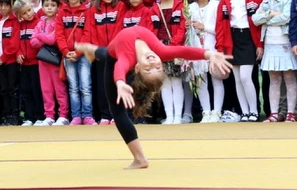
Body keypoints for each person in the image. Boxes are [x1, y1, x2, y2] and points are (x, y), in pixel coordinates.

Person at [75, 26, 232, 169]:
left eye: (148, 69)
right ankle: (93, 51)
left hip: (114, 57)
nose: (152, 63)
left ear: (137, 67)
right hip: (115, 49)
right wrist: (209, 54)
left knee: (116, 109)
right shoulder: (161, 52)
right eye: (157, 67)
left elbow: (120, 66)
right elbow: (183, 51)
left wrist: (120, 82)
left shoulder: (127, 57)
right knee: (103, 51)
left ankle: (140, 159)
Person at [215, 0, 264, 122]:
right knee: (236, 78)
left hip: (249, 38)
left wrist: (260, 44)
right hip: (232, 38)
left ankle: (254, 110)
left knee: (245, 76)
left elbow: (260, 23)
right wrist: (220, 46)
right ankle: (245, 112)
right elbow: (220, 25)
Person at [251, 0, 297, 122]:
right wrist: (269, 15)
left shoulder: (289, 0)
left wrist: (267, 18)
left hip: (285, 44)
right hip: (270, 45)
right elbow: (255, 19)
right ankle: (274, 112)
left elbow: (286, 18)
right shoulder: (265, 3)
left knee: (290, 77)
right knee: (274, 79)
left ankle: (291, 112)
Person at [83, 0, 124, 125]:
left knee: (116, 83)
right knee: (102, 86)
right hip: (100, 54)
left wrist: (113, 48)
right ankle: (105, 115)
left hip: (115, 53)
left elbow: (120, 28)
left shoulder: (120, 7)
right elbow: (90, 30)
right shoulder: (93, 10)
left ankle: (116, 115)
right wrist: (96, 49)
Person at [148, 0, 187, 123]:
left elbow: (182, 27)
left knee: (176, 81)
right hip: (158, 47)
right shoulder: (154, 9)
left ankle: (178, 116)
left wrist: (174, 44)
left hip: (174, 46)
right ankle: (169, 115)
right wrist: (156, 45)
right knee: (164, 82)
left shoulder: (180, 5)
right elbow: (150, 29)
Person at [56, 0, 94, 125]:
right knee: (73, 87)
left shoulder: (87, 11)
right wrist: (66, 52)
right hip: (67, 55)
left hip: (83, 54)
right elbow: (59, 34)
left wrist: (77, 52)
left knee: (85, 86)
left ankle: (88, 115)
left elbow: (88, 34)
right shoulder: (61, 12)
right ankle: (76, 115)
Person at [29, 0, 68, 126]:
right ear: (42, 7)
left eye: (53, 5)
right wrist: (42, 36)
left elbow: (53, 40)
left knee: (59, 89)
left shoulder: (58, 21)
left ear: (58, 7)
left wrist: (40, 36)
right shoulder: (41, 22)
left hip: (55, 60)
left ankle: (63, 115)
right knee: (46, 89)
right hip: (42, 61)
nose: (49, 8)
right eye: (46, 5)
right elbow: (32, 42)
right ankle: (49, 115)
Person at [188, 0, 222, 122]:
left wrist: (205, 27)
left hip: (213, 47)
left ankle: (217, 111)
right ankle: (206, 111)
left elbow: (221, 28)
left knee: (216, 79)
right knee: (200, 80)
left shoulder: (216, 5)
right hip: (197, 49)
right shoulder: (190, 8)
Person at [12, 0, 43, 126]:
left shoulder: (39, 22)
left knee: (37, 90)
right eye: (24, 13)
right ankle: (29, 117)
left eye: (29, 10)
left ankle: (40, 116)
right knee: (26, 90)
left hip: (36, 63)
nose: (28, 14)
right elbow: (17, 42)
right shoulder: (19, 26)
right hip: (24, 64)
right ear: (19, 15)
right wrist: (18, 53)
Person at [0, 0, 21, 126]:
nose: (3, 8)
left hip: (10, 61)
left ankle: (14, 115)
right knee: (3, 89)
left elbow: (14, 44)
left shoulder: (14, 21)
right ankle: (6, 114)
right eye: (0, 5)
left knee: (12, 89)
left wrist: (3, 57)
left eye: (6, 5)